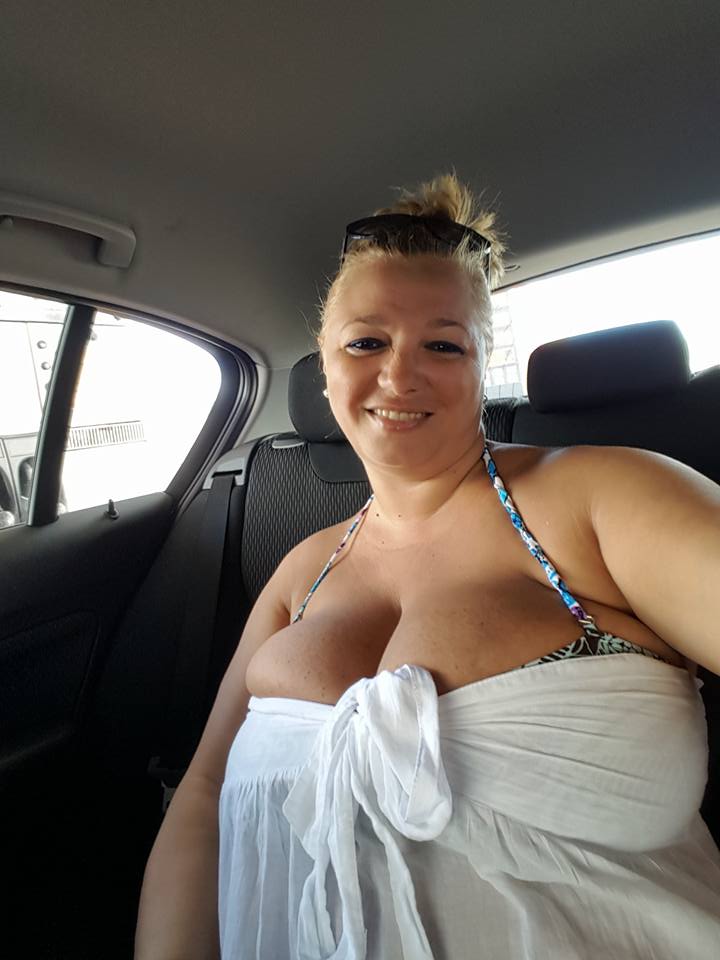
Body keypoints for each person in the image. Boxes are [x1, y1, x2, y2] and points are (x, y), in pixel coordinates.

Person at [135, 173, 720, 959]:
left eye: (443, 345)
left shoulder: (604, 498)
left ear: (483, 365)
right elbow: (203, 796)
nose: (399, 375)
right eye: (366, 342)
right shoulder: (301, 571)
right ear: (323, 366)